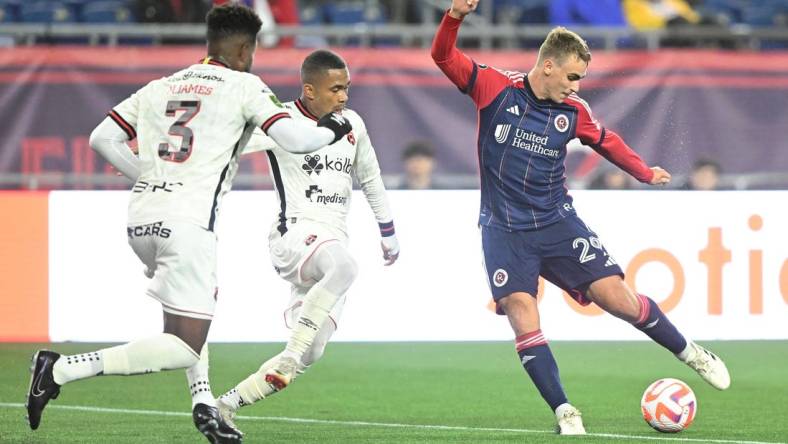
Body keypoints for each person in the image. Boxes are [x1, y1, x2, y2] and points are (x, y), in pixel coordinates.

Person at [26, 5, 352, 443]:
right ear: (243, 49)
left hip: (141, 220)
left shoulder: (163, 85)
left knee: (196, 306)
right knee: (182, 345)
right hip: (188, 224)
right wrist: (331, 128)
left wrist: (146, 175)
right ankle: (60, 369)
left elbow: (101, 138)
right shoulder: (244, 85)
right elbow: (294, 140)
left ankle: (203, 404)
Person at [432, 0, 730, 435]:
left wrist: (643, 172)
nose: (576, 87)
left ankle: (690, 353)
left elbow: (607, 142)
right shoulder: (495, 87)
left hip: (556, 222)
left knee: (618, 299)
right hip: (504, 229)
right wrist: (454, 16)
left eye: (581, 79)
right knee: (520, 309)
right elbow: (442, 57)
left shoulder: (574, 111)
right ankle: (564, 411)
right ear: (548, 66)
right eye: (572, 76)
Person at [213, 49, 399, 435]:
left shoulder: (353, 124)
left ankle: (225, 405)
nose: (344, 96)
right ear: (309, 90)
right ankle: (290, 353)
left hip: (331, 243)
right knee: (345, 266)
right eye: (335, 89)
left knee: (311, 352)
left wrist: (388, 230)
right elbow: (221, 145)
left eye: (347, 88)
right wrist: (148, 154)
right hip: (294, 233)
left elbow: (371, 176)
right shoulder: (278, 120)